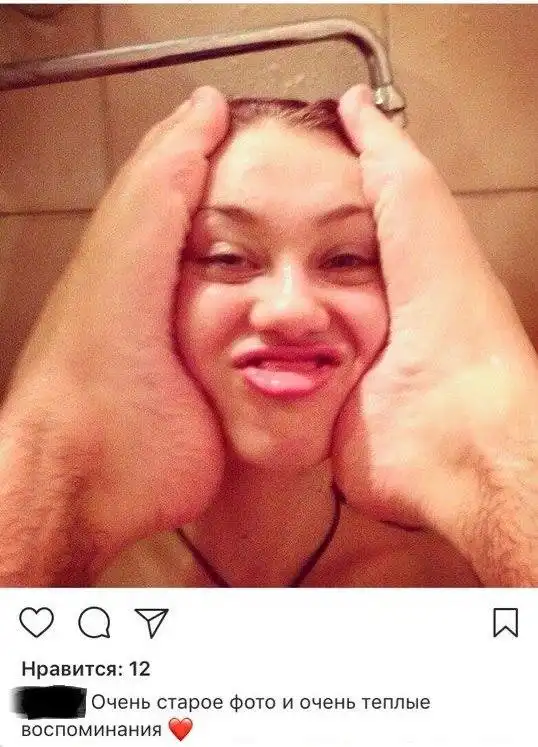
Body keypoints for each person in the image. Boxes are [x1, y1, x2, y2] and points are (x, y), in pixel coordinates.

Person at [1, 85, 537, 588]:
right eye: (226, 257)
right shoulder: (71, 567)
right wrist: (58, 460)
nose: (290, 310)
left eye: (346, 258)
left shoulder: (457, 580)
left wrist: (492, 452)